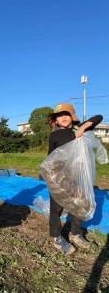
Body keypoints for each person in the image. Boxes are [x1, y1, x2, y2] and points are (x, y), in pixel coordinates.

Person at [47, 103, 103, 255]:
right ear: (56, 121)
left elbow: (99, 117)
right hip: (60, 177)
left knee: (79, 204)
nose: (63, 117)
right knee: (56, 208)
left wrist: (82, 129)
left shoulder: (80, 129)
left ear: (72, 117)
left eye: (66, 114)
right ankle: (56, 236)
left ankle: (76, 233)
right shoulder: (55, 135)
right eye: (59, 116)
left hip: (78, 176)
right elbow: (51, 157)